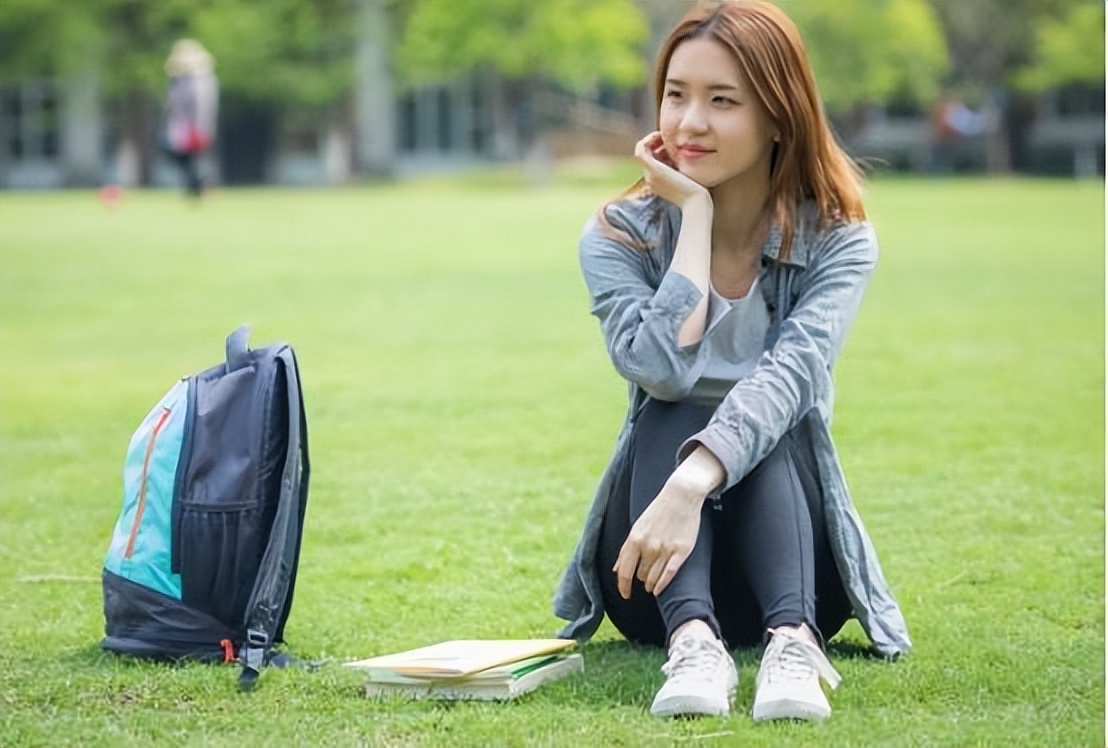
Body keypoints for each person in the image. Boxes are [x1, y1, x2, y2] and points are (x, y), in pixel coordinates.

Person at [552, 0, 911, 722]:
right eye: (676, 95)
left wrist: (694, 481)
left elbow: (789, 380)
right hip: (654, 575)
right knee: (672, 405)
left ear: (779, 114)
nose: (689, 122)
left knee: (765, 418)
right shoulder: (619, 235)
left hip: (799, 573)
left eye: (722, 101)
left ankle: (793, 646)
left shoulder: (838, 238)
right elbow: (660, 369)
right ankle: (693, 644)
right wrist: (694, 217)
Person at [163, 39, 219, 197]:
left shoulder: (201, 80)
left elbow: (202, 105)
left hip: (192, 126)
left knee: (189, 158)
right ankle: (197, 185)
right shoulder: (179, 80)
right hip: (181, 125)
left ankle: (198, 185)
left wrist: (199, 127)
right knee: (185, 158)